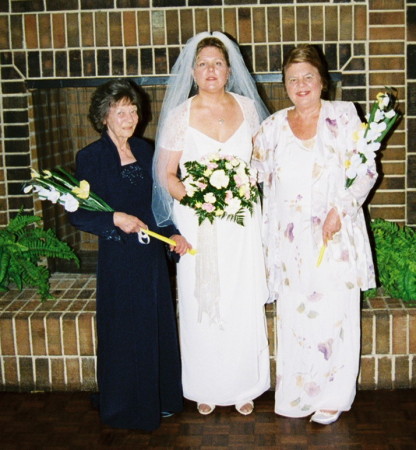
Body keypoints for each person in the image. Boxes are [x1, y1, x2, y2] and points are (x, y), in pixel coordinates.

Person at [252, 45, 377, 425]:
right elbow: (252, 176)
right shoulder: (271, 127)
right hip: (289, 242)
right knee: (296, 317)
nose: (301, 85)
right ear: (284, 86)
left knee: (335, 315)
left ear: (322, 80)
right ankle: (297, 393)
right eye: (292, 79)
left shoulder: (343, 116)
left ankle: (334, 395)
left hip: (333, 236)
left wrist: (341, 210)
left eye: (308, 76)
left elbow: (366, 170)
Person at [152, 32, 271, 416]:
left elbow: (262, 159)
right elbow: (166, 175)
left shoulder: (248, 107)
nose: (210, 70)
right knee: (201, 301)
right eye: (203, 63)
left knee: (240, 298)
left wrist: (245, 181)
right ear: (192, 71)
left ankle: (244, 384)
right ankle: (204, 384)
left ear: (229, 68)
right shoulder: (179, 115)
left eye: (217, 63)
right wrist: (196, 196)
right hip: (197, 223)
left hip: (241, 222)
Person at [68, 78, 191, 431]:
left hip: (150, 255)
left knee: (154, 326)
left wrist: (172, 235)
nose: (130, 116)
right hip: (120, 259)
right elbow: (78, 214)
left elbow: (158, 206)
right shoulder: (90, 157)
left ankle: (162, 398)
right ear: (104, 116)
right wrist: (114, 219)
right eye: (121, 111)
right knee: (125, 330)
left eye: (133, 109)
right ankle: (127, 406)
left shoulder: (147, 149)